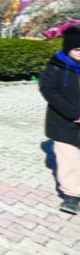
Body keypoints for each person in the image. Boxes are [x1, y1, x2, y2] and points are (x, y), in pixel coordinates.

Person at [39, 25, 80, 215]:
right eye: (77, 49)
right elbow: (48, 90)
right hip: (64, 121)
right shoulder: (57, 65)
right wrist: (73, 114)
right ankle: (72, 196)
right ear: (69, 49)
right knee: (69, 159)